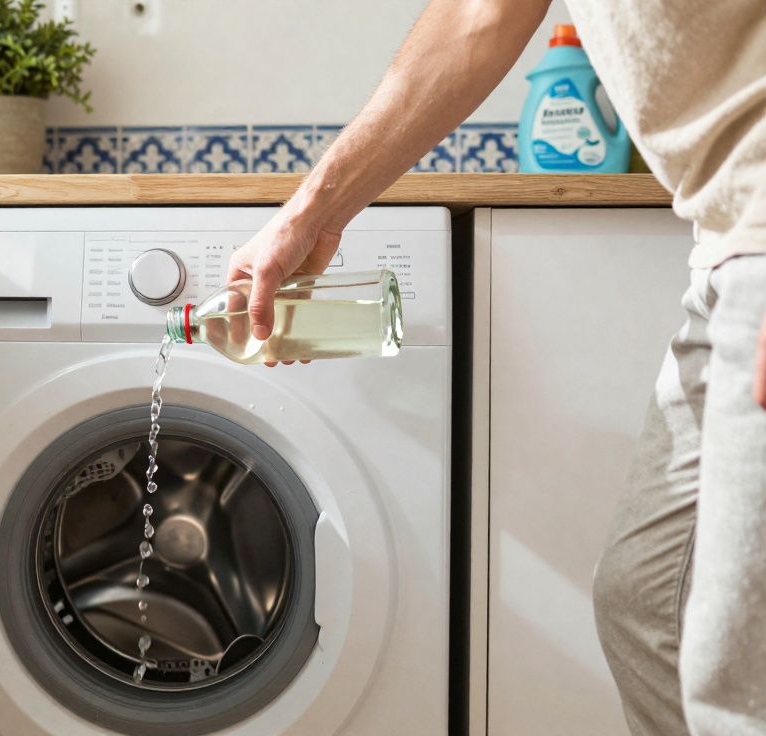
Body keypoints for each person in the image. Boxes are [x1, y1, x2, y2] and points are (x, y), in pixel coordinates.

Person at [228, 0, 766, 732]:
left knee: (737, 675)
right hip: (727, 243)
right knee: (649, 610)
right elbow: (478, 19)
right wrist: (310, 214)